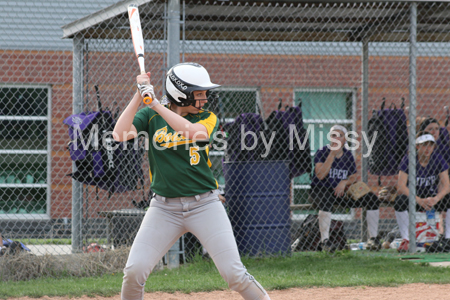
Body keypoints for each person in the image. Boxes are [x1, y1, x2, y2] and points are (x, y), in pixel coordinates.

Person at [113, 62, 271, 300]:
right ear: (181, 94)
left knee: (234, 274)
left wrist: (155, 104)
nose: (205, 98)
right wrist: (138, 95)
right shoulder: (150, 116)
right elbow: (120, 134)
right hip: (164, 208)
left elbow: (196, 133)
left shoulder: (207, 118)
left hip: (204, 205)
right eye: (198, 94)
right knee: (134, 272)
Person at [310, 125, 381, 252]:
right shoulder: (322, 152)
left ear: (345, 139)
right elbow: (320, 175)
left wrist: (344, 182)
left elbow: (354, 176)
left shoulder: (348, 155)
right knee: (326, 200)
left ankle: (373, 239)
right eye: (333, 136)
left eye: (340, 136)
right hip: (321, 190)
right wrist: (332, 155)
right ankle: (325, 242)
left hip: (340, 192)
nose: (336, 138)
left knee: (372, 199)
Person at [394, 131, 450, 252]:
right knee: (399, 201)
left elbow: (447, 186)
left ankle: (448, 238)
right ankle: (406, 240)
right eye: (424, 145)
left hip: (431, 198)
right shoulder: (408, 159)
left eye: (430, 145)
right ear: (417, 146)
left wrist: (436, 199)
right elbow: (401, 187)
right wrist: (418, 200)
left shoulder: (438, 158)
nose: (427, 148)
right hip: (414, 197)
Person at [417, 117, 450, 239]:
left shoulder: (443, 146)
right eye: (430, 129)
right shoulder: (417, 149)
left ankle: (444, 234)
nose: (435, 132)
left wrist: (437, 196)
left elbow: (444, 178)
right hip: (421, 187)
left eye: (437, 129)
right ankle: (437, 230)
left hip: (438, 188)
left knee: (444, 181)